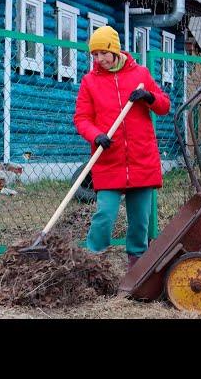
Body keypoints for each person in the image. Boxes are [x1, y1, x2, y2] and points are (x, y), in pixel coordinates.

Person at [73, 25, 170, 269]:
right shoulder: (90, 82)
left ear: (115, 50)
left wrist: (149, 97)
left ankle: (137, 261)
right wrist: (97, 136)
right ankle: (93, 259)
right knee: (104, 215)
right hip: (109, 159)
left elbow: (164, 106)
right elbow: (81, 118)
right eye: (94, 55)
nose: (99, 59)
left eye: (103, 53)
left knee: (140, 220)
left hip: (141, 158)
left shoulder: (140, 75)